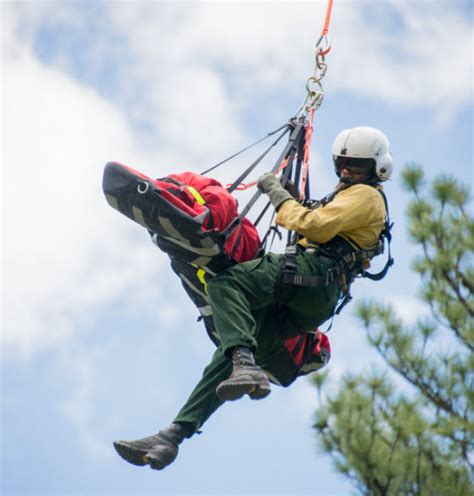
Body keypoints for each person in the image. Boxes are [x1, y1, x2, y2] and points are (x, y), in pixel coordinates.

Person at [113, 126, 393, 470]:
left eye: (358, 166)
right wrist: (293, 199)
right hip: (313, 300)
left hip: (311, 276)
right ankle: (173, 436)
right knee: (225, 359)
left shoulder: (368, 196)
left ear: (377, 168)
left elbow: (313, 225)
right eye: (344, 165)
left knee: (225, 286)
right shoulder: (351, 198)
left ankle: (245, 363)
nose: (348, 172)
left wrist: (277, 194)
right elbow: (317, 220)